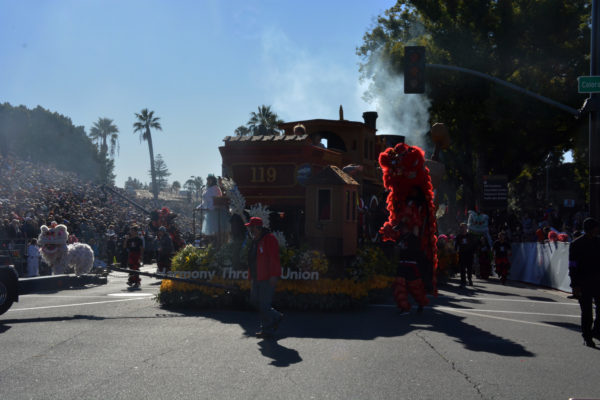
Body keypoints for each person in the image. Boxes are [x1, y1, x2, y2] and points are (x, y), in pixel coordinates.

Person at [246, 217, 283, 338]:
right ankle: (276, 316)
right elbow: (252, 259)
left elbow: (274, 259)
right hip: (256, 277)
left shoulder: (269, 239)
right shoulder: (255, 240)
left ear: (258, 228)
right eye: (250, 228)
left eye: (252, 227)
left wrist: (274, 275)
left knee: (263, 305)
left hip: (266, 277)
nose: (250, 230)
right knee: (255, 301)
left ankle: (267, 329)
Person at [568, 217, 600, 348]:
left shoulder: (599, 242)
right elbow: (572, 265)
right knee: (587, 312)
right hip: (583, 282)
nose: (598, 230)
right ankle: (587, 336)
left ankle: (596, 331)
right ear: (590, 229)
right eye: (596, 227)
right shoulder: (576, 244)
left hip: (598, 282)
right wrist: (574, 285)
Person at [201, 175, 223, 239]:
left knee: (214, 229)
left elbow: (215, 200)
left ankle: (216, 243)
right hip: (209, 211)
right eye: (207, 180)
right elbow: (205, 201)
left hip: (214, 212)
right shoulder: (207, 188)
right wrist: (200, 207)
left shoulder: (215, 188)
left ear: (213, 181)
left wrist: (210, 208)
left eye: (209, 180)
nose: (208, 181)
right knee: (210, 230)